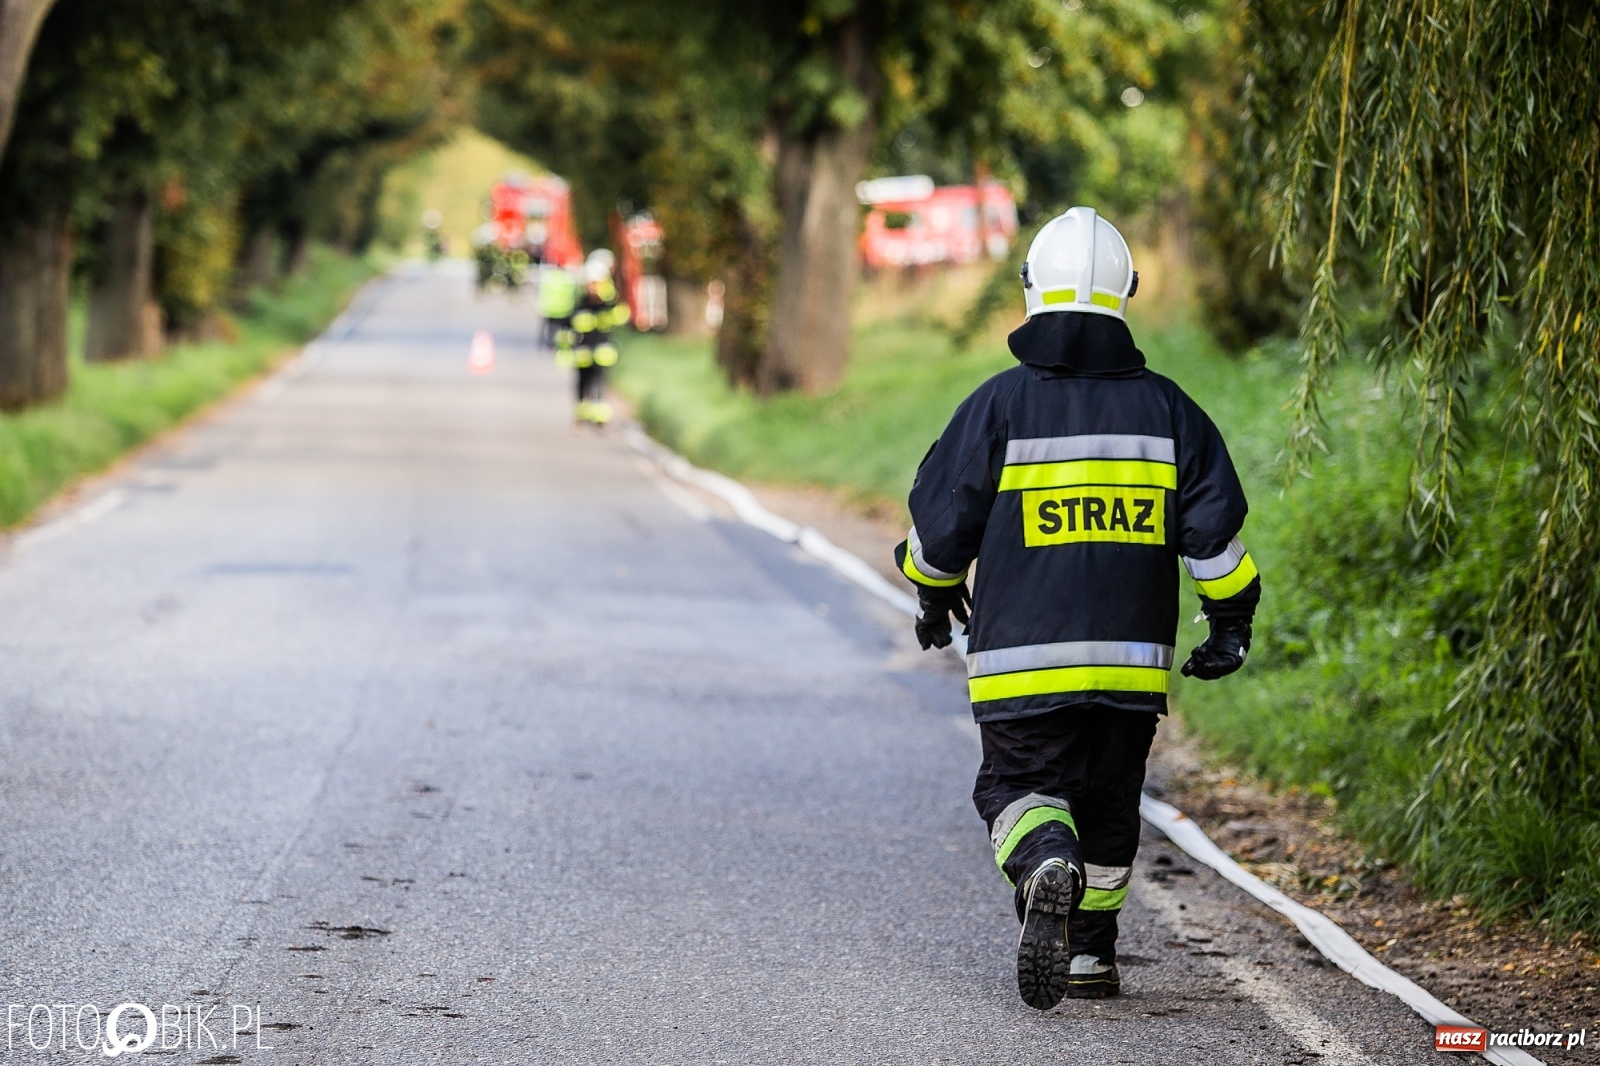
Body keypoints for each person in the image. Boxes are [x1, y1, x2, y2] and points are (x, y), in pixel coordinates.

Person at [894, 207, 1261, 1011]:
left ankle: (1042, 860)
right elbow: (1214, 539)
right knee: (1109, 803)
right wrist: (1230, 624)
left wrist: (931, 591)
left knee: (1018, 790)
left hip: (1022, 666)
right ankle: (1091, 956)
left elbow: (939, 526)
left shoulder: (1000, 406)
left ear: (1031, 290)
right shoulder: (1170, 412)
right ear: (1126, 293)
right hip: (1130, 670)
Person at [560, 253, 629, 426]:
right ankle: (582, 414)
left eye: (596, 283)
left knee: (599, 384)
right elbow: (569, 326)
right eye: (590, 283)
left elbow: (621, 317)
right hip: (583, 354)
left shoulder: (609, 304)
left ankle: (599, 417)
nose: (593, 287)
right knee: (582, 383)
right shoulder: (580, 304)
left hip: (602, 353)